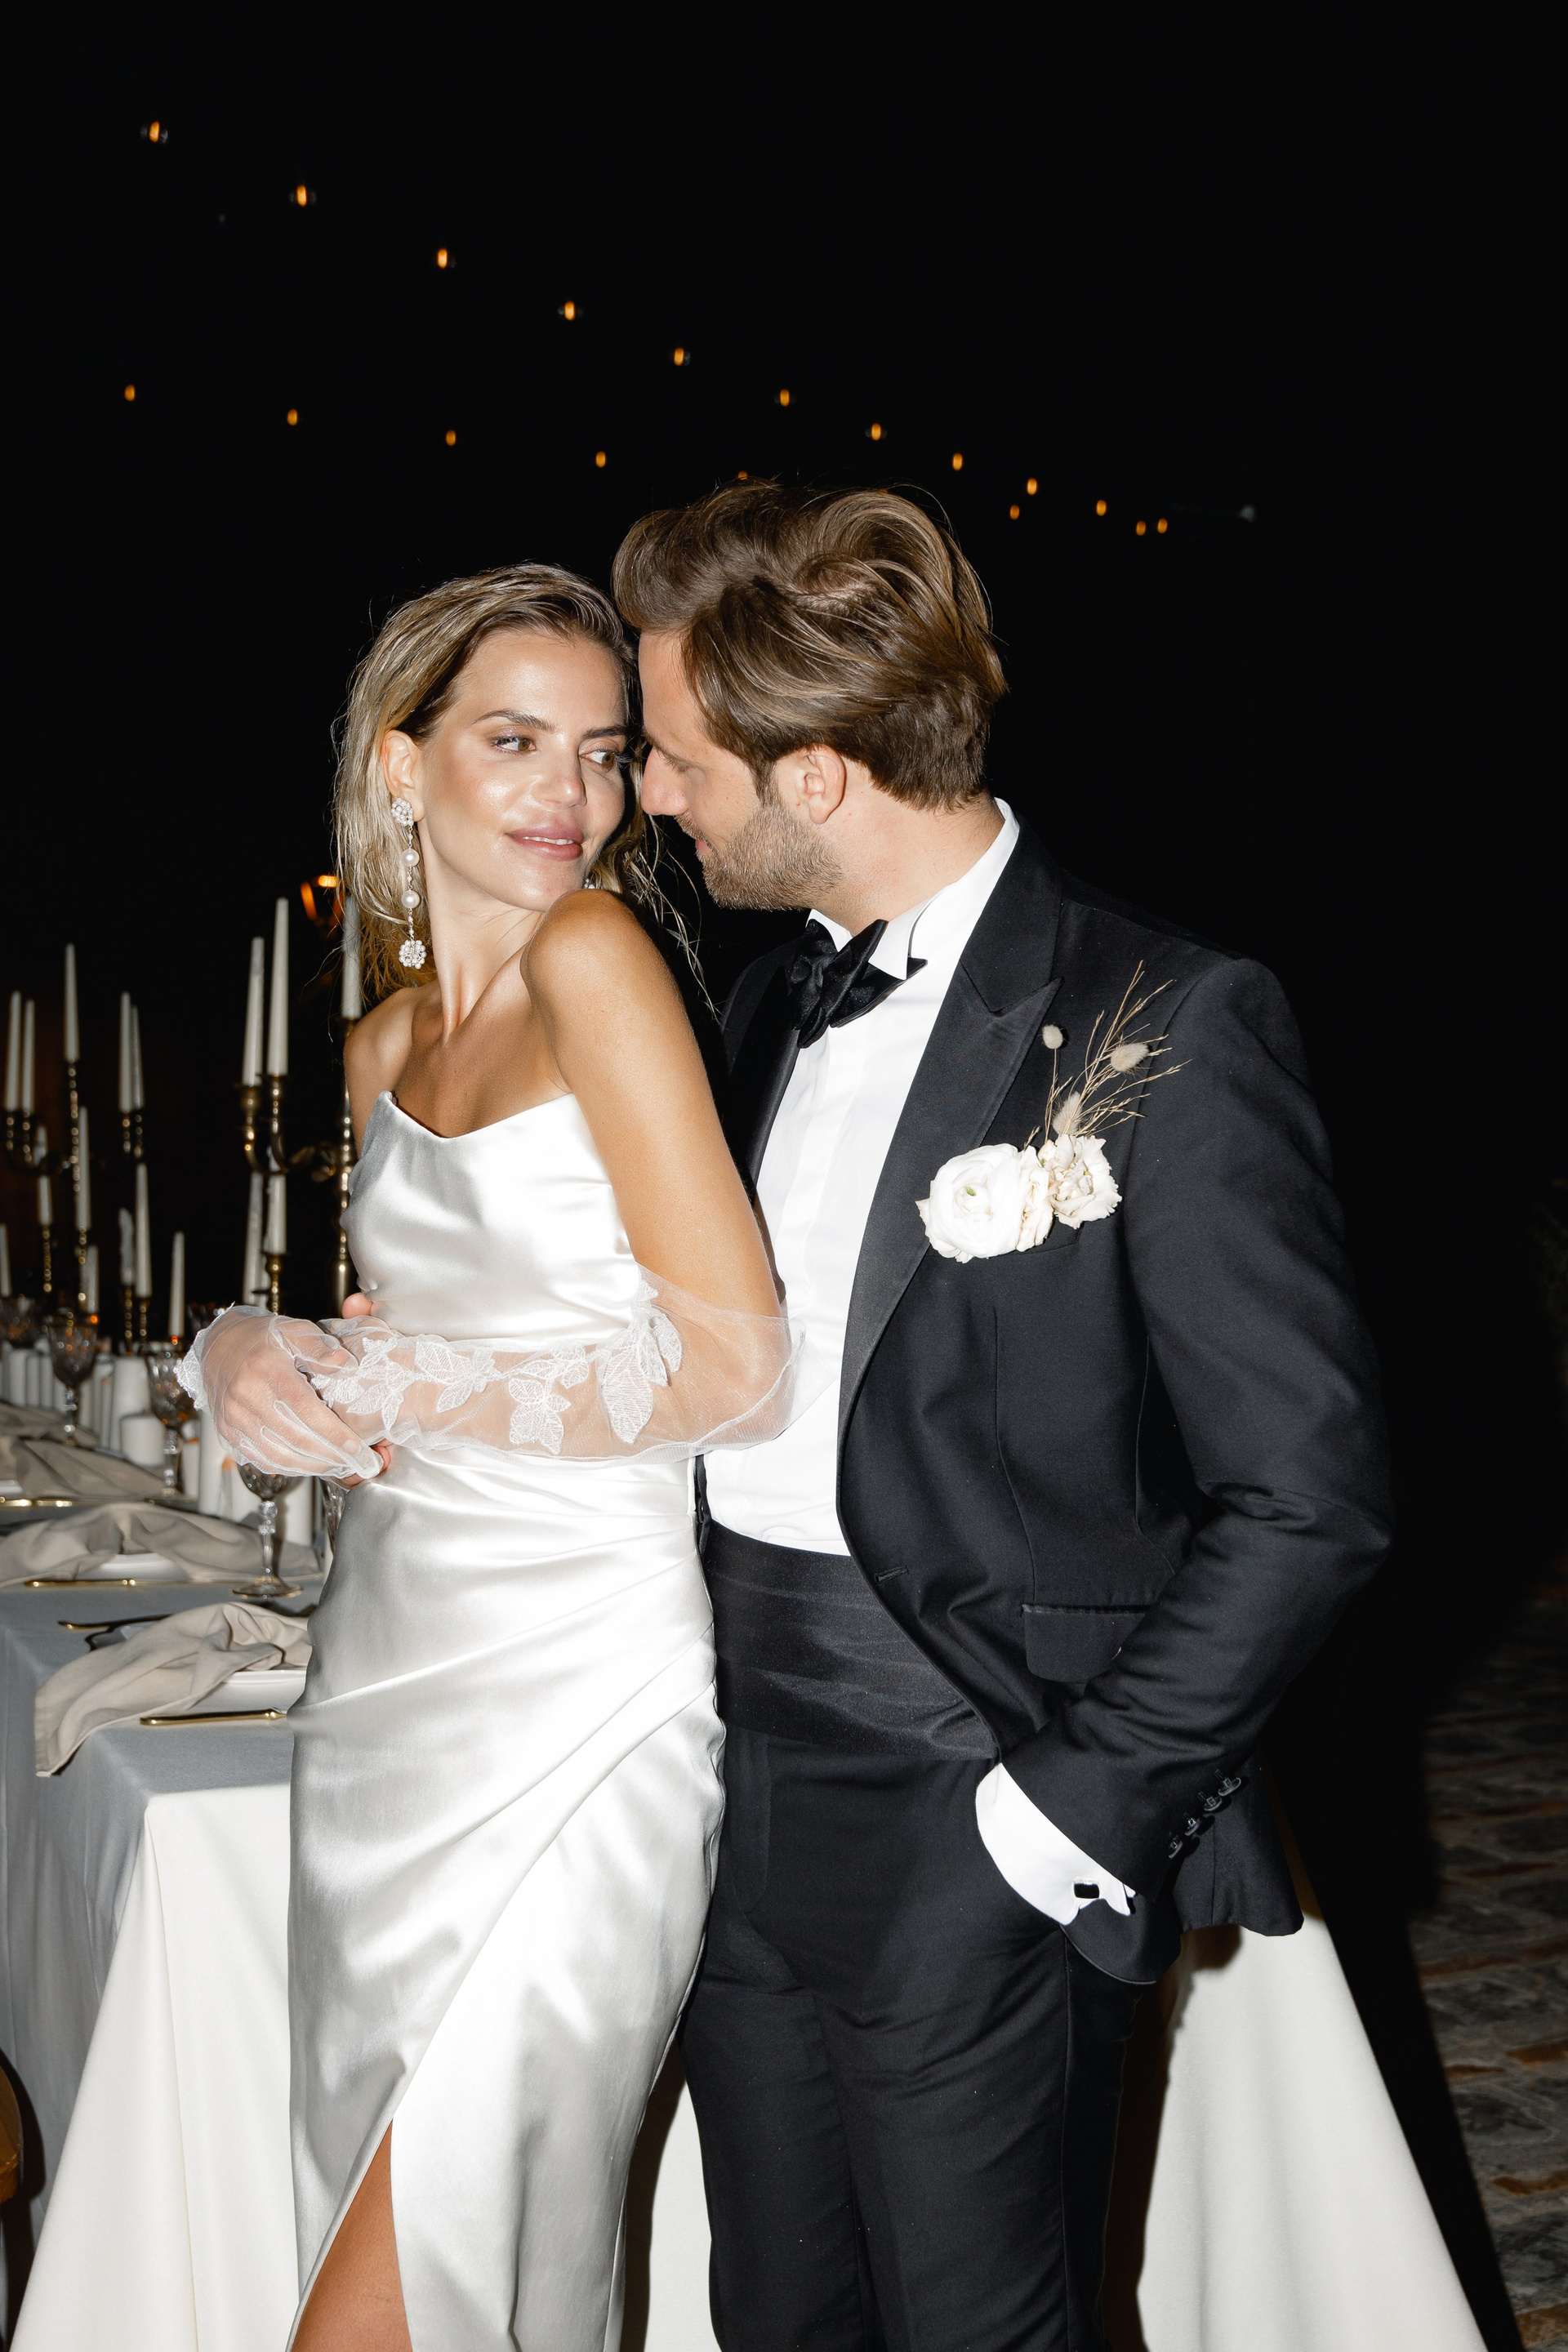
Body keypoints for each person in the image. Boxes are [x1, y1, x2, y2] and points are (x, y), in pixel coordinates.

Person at [611, 483, 1396, 2352]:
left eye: (673, 758)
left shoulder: (1168, 1018)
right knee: (776, 2314)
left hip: (976, 1781)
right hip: (727, 1776)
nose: (648, 795)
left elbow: (1310, 1501)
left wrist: (1055, 1819)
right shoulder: (764, 1003)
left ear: (815, 775)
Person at [184, 565, 795, 2352]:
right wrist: (243, 1354)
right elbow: (399, 1362)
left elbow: (733, 1363)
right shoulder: (379, 1046)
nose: (571, 796)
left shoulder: (594, 962)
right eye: (515, 742)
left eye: (602, 754)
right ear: (402, 762)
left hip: (582, 1703)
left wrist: (399, 1376)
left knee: (419, 2271)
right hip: (385, 1696)